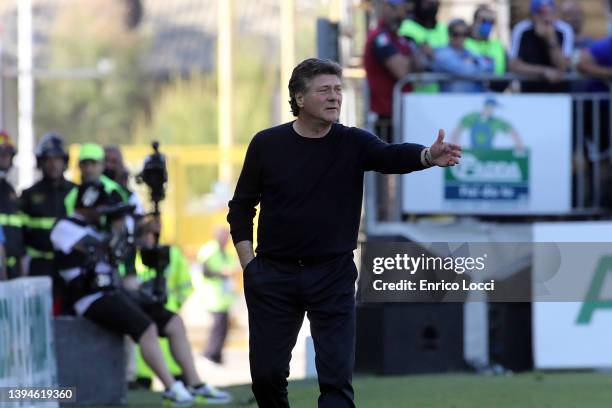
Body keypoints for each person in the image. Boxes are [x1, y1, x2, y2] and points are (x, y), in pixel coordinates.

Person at [227, 58, 461, 408]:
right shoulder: (266, 144)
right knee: (266, 377)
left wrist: (427, 156)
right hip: (273, 276)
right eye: (324, 90)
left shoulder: (352, 142)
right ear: (299, 98)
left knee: (336, 384)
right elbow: (241, 209)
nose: (335, 97)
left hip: (333, 275)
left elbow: (389, 156)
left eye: (338, 90)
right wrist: (251, 268)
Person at [50, 182, 231, 406]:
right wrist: (121, 227)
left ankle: (196, 384)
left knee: (173, 322)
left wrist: (143, 230)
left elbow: (121, 251)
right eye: (101, 209)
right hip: (89, 297)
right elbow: (100, 248)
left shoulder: (99, 228)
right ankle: (172, 388)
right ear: (87, 204)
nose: (103, 215)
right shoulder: (65, 226)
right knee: (147, 328)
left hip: (112, 291)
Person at [132, 216, 195, 388]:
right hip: (143, 313)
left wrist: (176, 303)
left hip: (167, 311)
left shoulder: (173, 254)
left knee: (174, 360)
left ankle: (183, 386)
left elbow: (186, 286)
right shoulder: (133, 255)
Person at [21, 133, 76, 311]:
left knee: (69, 310)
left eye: (58, 159)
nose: (53, 164)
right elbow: (20, 233)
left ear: (65, 162)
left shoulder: (76, 192)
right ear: (40, 162)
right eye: (48, 159)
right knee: (39, 313)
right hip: (39, 267)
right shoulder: (29, 195)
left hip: (69, 265)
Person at [364, 0, 415, 142]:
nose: (403, 14)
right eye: (400, 9)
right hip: (386, 117)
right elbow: (402, 71)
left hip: (403, 113)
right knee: (389, 161)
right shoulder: (380, 38)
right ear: (386, 7)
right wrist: (415, 59)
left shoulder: (399, 38)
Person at [509, 0, 574, 93]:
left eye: (549, 12)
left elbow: (563, 66)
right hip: (530, 93)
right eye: (540, 13)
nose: (545, 18)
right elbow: (513, 64)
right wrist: (543, 71)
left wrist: (550, 39)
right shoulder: (521, 29)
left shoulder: (564, 30)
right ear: (532, 15)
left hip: (559, 93)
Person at [197, 226, 239, 365]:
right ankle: (210, 354)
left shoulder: (225, 253)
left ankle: (216, 354)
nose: (227, 239)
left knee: (223, 327)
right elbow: (205, 270)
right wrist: (222, 273)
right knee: (218, 327)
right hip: (212, 296)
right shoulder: (210, 250)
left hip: (223, 297)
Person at [64, 143, 129, 215]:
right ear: (79, 166)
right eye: (85, 164)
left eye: (93, 163)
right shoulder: (72, 196)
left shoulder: (114, 191)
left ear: (103, 165)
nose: (88, 169)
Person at [432, 19, 494, 93]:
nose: (460, 38)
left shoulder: (469, 51)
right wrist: (474, 64)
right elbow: (464, 71)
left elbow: (489, 66)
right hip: (451, 101)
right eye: (456, 34)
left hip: (472, 100)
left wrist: (472, 62)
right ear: (449, 34)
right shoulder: (442, 53)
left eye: (464, 34)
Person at [450, 97, 524, 150]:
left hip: (488, 153)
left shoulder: (496, 121)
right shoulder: (473, 117)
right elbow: (458, 129)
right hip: (473, 151)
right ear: (485, 106)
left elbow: (512, 131)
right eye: (489, 107)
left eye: (493, 108)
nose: (491, 110)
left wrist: (519, 144)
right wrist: (455, 145)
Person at [0, 130, 24, 279]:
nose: (5, 158)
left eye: (8, 154)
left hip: (12, 268)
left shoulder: (9, 189)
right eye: (1, 154)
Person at [465, 4, 507, 76]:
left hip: (495, 86)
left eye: (491, 22)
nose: (487, 24)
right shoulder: (463, 43)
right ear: (474, 22)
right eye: (483, 20)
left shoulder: (498, 45)